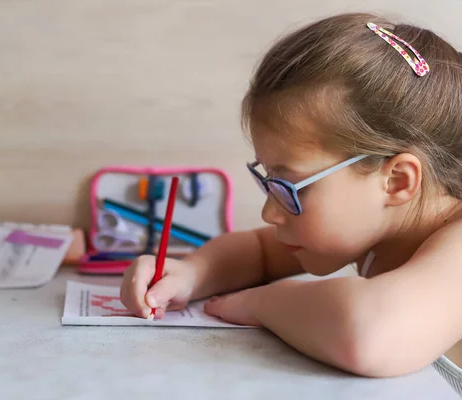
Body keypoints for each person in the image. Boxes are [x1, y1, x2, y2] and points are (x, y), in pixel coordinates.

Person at [119, 12, 462, 388]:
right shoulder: (377, 226)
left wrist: (265, 302)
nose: (270, 213)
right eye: (268, 181)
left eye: (290, 188)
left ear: (396, 181)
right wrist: (191, 273)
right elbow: (259, 252)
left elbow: (368, 335)